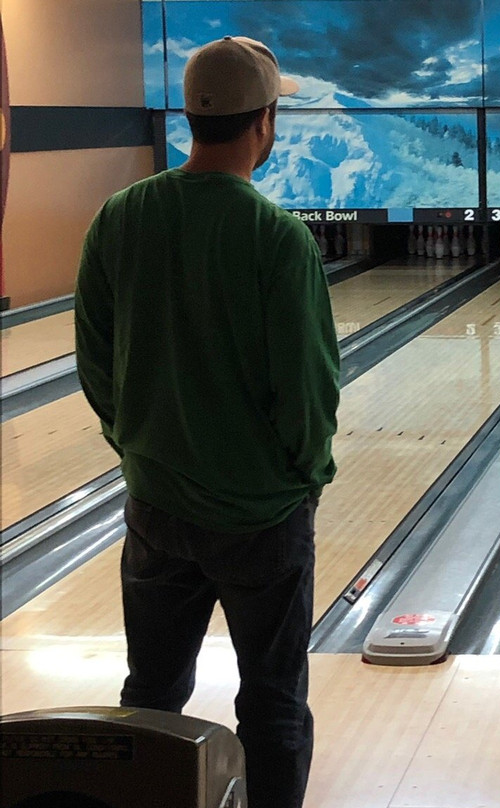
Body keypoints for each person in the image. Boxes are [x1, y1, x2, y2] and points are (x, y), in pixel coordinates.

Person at [74, 36, 339, 808]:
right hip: (262, 518)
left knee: (151, 694)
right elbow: (308, 391)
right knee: (274, 704)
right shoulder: (278, 238)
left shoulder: (118, 218)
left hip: (155, 507)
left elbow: (95, 362)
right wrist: (306, 478)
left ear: (190, 117)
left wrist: (139, 446)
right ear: (266, 121)